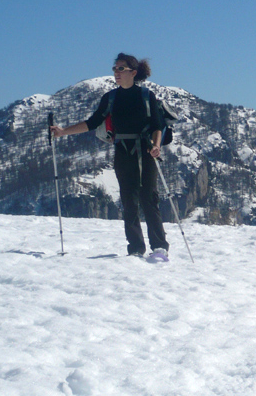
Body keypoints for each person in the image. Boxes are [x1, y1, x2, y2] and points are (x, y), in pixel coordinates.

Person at [50, 53, 170, 259]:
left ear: (133, 72)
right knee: (129, 199)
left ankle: (159, 248)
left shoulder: (146, 95)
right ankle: (135, 248)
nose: (116, 72)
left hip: (146, 150)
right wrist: (63, 132)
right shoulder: (110, 98)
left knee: (149, 198)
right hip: (123, 151)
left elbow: (158, 125)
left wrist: (157, 146)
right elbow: (92, 122)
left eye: (120, 69)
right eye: (115, 69)